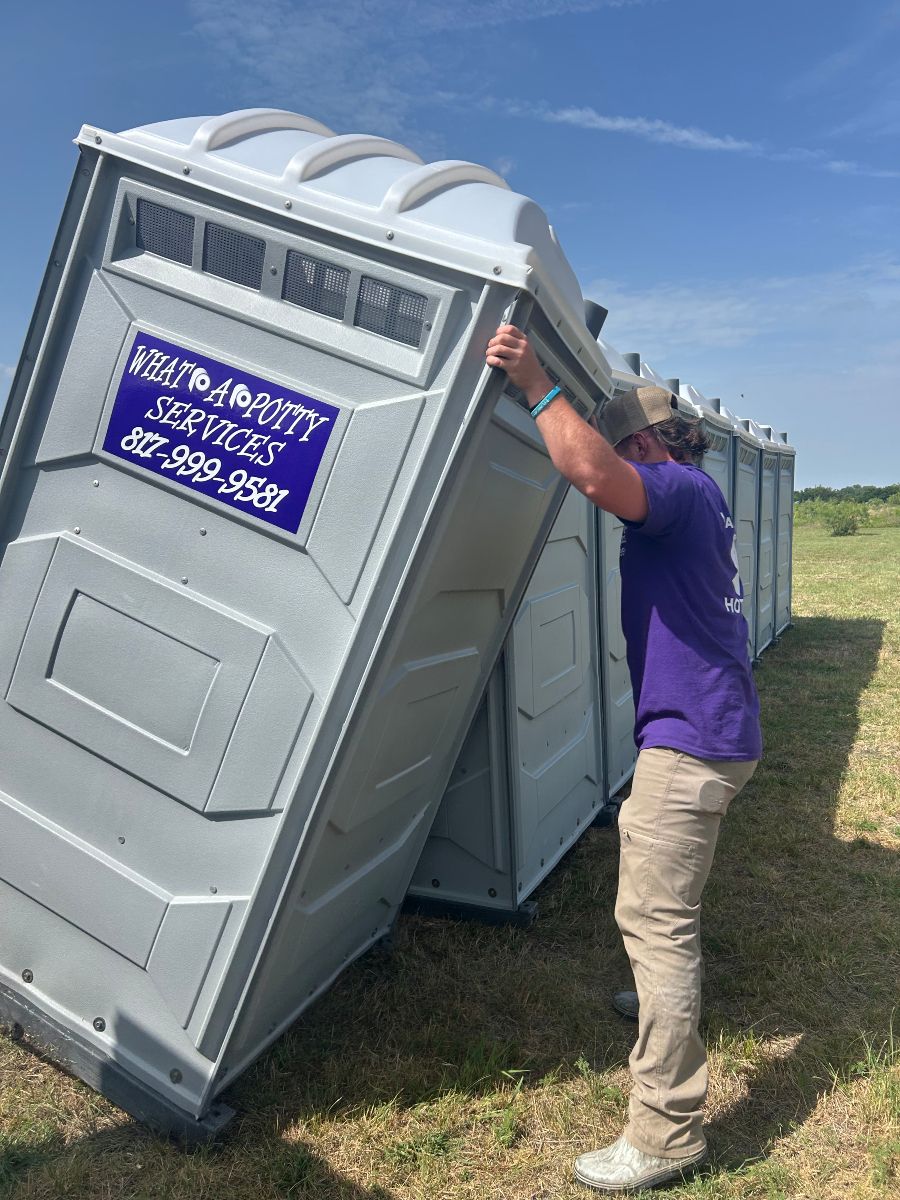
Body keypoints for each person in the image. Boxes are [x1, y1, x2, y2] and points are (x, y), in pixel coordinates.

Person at [485, 325, 762, 1194]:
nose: (615, 461)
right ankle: (656, 1004)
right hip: (712, 735)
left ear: (642, 444)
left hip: (690, 744)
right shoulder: (702, 493)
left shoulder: (671, 489)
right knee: (666, 910)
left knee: (656, 923)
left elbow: (593, 475)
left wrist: (534, 383)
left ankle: (667, 1133)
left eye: (619, 446)